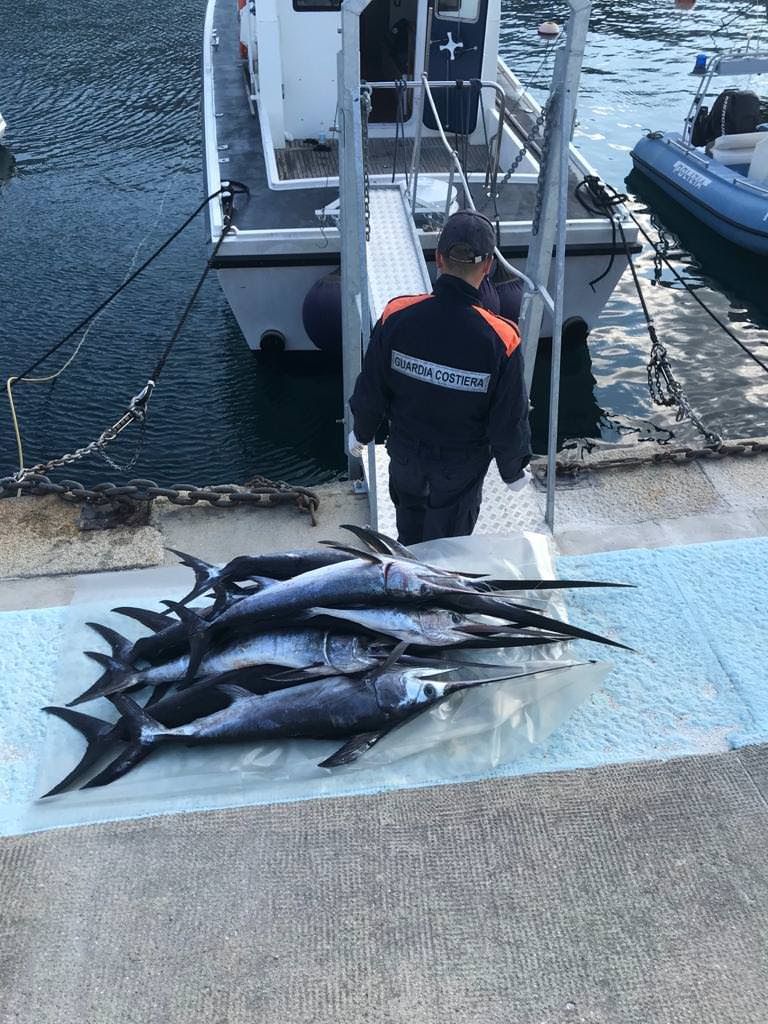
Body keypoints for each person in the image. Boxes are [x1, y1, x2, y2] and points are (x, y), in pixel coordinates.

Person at [348, 209, 532, 545]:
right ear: (488, 266)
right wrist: (512, 469)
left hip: (405, 456)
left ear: (438, 259)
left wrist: (361, 434)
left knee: (409, 537)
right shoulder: (502, 339)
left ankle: (409, 583)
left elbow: (372, 389)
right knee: (449, 547)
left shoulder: (396, 315)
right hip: (459, 468)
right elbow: (508, 419)